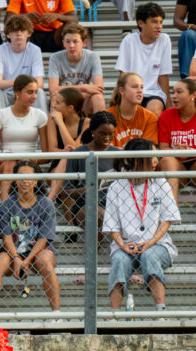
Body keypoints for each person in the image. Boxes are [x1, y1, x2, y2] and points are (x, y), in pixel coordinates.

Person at [103, 138, 179, 314]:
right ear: (136, 160)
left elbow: (166, 220)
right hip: (126, 244)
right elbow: (112, 226)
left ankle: (161, 311)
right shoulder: (116, 186)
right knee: (119, 260)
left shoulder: (160, 182)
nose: (155, 161)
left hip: (157, 245)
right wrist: (122, 244)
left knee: (149, 256)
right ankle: (115, 314)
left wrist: (151, 242)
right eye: (150, 156)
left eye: (155, 156)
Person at [0, 161, 60, 316]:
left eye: (29, 177)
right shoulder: (6, 205)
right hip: (13, 252)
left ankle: (56, 314)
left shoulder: (46, 204)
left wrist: (27, 259)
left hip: (39, 251)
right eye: (21, 176)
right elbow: (7, 238)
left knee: (44, 261)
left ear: (36, 180)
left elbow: (43, 238)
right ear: (15, 180)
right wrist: (17, 259)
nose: (25, 181)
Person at [0, 74, 48, 200]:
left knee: (22, 166)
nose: (34, 97)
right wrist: (15, 158)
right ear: (17, 92)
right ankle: (5, 209)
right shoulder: (1, 114)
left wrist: (26, 160)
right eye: (29, 92)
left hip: (30, 164)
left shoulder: (40, 115)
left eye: (35, 92)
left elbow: (46, 155)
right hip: (5, 165)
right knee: (10, 163)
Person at [61, 110, 118, 229]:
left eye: (110, 134)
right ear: (93, 131)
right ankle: (95, 248)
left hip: (115, 205)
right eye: (102, 133)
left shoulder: (118, 154)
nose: (107, 138)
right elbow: (66, 191)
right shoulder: (79, 154)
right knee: (98, 214)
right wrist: (84, 190)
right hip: (85, 205)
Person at [115, 3, 171, 117]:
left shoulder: (164, 40)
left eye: (161, 22)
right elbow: (123, 75)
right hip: (131, 92)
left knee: (154, 109)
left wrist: (169, 107)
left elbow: (163, 76)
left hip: (154, 94)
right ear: (140, 23)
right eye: (154, 22)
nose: (159, 26)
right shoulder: (128, 40)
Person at [0, 14, 45, 111]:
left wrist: (24, 89)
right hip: (7, 94)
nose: (18, 34)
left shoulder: (35, 50)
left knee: (39, 92)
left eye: (22, 30)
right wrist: (19, 83)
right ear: (8, 34)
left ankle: (43, 125)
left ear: (29, 33)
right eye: (14, 31)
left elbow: (39, 83)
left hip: (27, 93)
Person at [48, 23, 104, 114]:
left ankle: (99, 127)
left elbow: (99, 89)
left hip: (83, 101)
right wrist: (84, 87)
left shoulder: (93, 57)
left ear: (84, 43)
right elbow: (53, 89)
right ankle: (54, 128)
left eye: (75, 41)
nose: (71, 45)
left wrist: (73, 94)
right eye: (68, 41)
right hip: (63, 101)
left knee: (98, 97)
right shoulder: (55, 58)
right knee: (55, 97)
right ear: (63, 43)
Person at [44, 86, 88, 199]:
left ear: (70, 108)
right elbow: (52, 150)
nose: (53, 106)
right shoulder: (52, 119)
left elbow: (76, 151)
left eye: (58, 103)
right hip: (57, 165)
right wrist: (66, 152)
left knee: (68, 177)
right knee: (65, 178)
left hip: (80, 165)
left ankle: (50, 200)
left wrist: (61, 123)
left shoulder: (87, 123)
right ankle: (50, 202)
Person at [159, 78, 196, 199]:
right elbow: (163, 148)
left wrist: (190, 151)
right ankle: (171, 214)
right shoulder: (167, 115)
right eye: (173, 92)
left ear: (193, 94)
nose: (174, 96)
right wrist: (176, 151)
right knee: (167, 160)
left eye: (179, 92)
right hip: (178, 167)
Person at [108, 72, 158, 147]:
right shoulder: (107, 116)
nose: (140, 91)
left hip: (140, 158)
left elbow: (149, 149)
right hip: (115, 158)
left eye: (141, 87)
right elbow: (107, 149)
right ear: (122, 91)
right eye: (134, 87)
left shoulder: (150, 117)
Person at [5, 0, 76, 52]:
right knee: (13, 27)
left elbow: (74, 19)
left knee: (70, 26)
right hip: (28, 34)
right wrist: (26, 17)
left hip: (54, 35)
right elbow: (8, 20)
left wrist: (57, 16)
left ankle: (69, 62)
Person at [175, 0, 196, 78]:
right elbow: (177, 20)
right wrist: (192, 26)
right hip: (194, 32)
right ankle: (187, 80)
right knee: (188, 35)